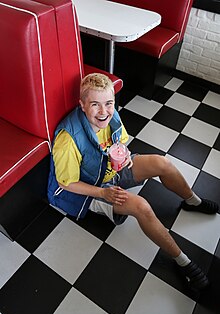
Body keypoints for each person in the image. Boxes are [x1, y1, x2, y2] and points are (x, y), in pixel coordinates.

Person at [48, 73, 219, 291]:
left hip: (110, 168)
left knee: (162, 163)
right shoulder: (67, 139)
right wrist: (103, 194)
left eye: (108, 103)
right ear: (82, 105)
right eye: (95, 105)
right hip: (87, 188)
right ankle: (183, 262)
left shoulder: (111, 116)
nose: (104, 112)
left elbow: (121, 141)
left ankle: (192, 201)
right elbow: (65, 184)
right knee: (142, 207)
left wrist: (126, 154)